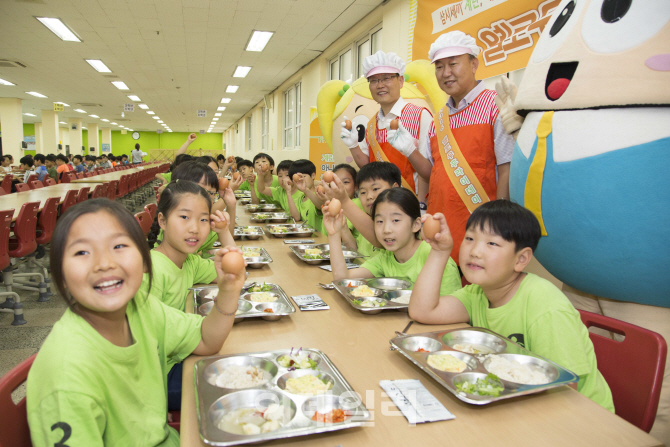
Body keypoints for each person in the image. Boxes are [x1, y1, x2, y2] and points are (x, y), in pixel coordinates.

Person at [26, 199, 244, 446]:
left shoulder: (139, 306)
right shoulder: (65, 377)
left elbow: (206, 339)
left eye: (119, 246)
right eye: (82, 252)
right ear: (61, 276)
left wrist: (228, 291)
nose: (104, 264)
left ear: (143, 260)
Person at [408, 200, 614, 412]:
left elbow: (564, 388)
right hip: (518, 401)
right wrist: (440, 252)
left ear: (521, 258)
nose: (475, 251)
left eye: (492, 244)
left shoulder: (545, 306)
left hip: (582, 415)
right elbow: (422, 311)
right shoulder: (477, 292)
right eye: (470, 238)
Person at [424, 31, 515, 264]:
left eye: (453, 64)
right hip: (442, 230)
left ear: (474, 64)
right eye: (439, 67)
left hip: (481, 231)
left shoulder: (495, 105)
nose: (446, 73)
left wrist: (499, 226)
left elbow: (507, 168)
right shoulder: (438, 119)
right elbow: (435, 174)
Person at [324, 187, 461, 297]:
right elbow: (342, 279)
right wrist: (334, 234)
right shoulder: (386, 257)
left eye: (395, 220)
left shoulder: (437, 259)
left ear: (416, 224)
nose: (386, 230)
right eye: (379, 221)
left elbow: (452, 317)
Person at [340, 51, 433, 206]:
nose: (380, 85)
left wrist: (421, 205)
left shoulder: (420, 116)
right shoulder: (371, 124)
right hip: (381, 205)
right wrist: (353, 145)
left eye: (387, 78)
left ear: (401, 80)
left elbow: (429, 171)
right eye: (374, 80)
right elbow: (368, 166)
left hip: (411, 204)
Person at [150, 161, 238, 253]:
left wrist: (231, 205)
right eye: (201, 190)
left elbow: (227, 239)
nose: (206, 197)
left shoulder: (201, 223)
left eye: (212, 193)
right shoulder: (175, 230)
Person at [323, 161, 401, 258]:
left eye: (375, 189)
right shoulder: (368, 220)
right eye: (363, 192)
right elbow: (355, 251)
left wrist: (343, 201)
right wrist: (343, 227)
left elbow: (378, 239)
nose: (369, 196)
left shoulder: (401, 222)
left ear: (395, 189)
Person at [290, 159, 327, 234]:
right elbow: (296, 217)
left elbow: (321, 205)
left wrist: (306, 190)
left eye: (303, 176)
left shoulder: (319, 195)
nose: (301, 180)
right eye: (296, 178)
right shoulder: (301, 197)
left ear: (313, 175)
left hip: (319, 240)